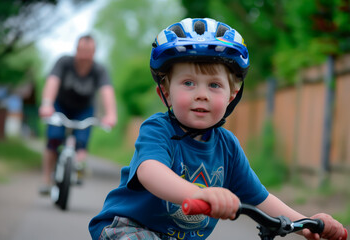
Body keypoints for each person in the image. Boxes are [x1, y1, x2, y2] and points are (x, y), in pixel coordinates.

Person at [88, 18, 345, 240]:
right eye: (188, 83)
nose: (202, 95)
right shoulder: (158, 129)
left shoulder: (227, 147)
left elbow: (260, 198)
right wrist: (201, 193)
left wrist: (308, 223)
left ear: (232, 94)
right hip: (129, 228)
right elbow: (150, 172)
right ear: (165, 92)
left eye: (214, 85)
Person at [39, 34, 117, 194]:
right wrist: (47, 104)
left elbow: (106, 91)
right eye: (81, 50)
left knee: (81, 143)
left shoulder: (99, 70)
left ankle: (78, 167)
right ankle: (46, 179)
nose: (84, 55)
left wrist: (111, 114)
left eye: (88, 51)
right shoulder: (64, 62)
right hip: (60, 106)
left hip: (84, 109)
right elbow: (53, 81)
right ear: (76, 49)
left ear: (94, 53)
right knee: (53, 140)